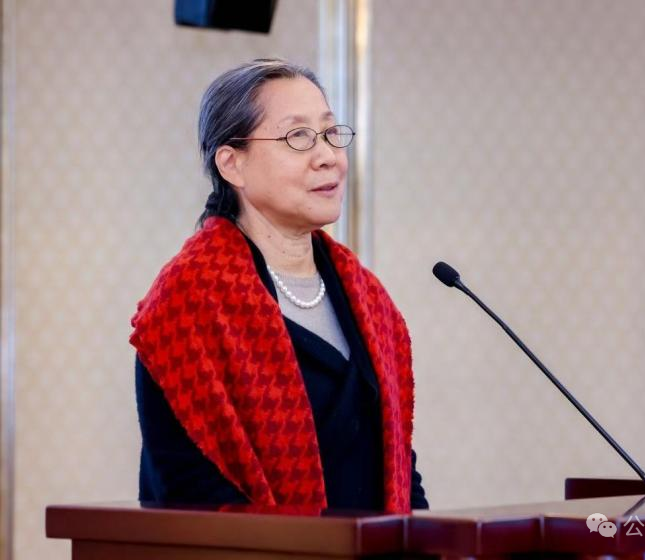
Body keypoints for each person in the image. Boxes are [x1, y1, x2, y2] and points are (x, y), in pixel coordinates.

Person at [131, 59, 428, 512]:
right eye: (298, 137)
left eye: (330, 133)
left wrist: (425, 540)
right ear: (232, 164)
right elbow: (189, 489)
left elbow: (399, 466)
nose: (327, 156)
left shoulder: (368, 298)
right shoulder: (189, 303)